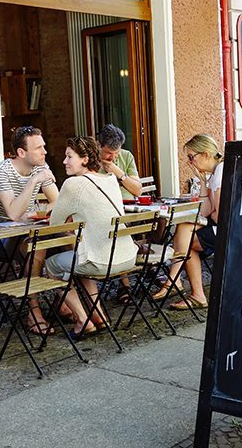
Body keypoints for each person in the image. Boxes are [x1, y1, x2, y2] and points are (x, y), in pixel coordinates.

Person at [47, 136, 137, 339]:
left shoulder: (73, 184)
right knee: (80, 259)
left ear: (85, 159)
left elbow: (54, 224)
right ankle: (99, 316)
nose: (64, 161)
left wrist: (57, 208)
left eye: (69, 156)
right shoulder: (110, 179)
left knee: (50, 268)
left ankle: (82, 320)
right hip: (126, 256)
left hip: (101, 262)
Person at [0, 125, 59, 334]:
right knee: (38, 247)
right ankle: (33, 311)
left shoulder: (39, 166)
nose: (45, 152)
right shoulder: (2, 171)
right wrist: (35, 181)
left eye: (43, 146)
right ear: (21, 152)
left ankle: (64, 300)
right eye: (38, 148)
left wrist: (41, 211)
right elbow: (13, 214)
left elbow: (59, 203)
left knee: (67, 238)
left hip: (25, 233)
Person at [152, 134, 223, 311]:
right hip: (220, 227)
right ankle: (180, 284)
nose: (190, 162)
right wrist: (202, 181)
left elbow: (219, 215)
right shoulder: (214, 173)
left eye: (192, 157)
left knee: (187, 235)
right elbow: (207, 211)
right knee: (185, 229)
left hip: (230, 231)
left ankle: (175, 281)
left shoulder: (221, 171)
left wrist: (205, 218)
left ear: (206, 154)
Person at [97, 124, 143, 198]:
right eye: (109, 153)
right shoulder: (89, 159)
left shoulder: (126, 156)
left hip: (130, 205)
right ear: (98, 145)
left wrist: (119, 173)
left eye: (117, 153)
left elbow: (138, 191)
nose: (113, 157)